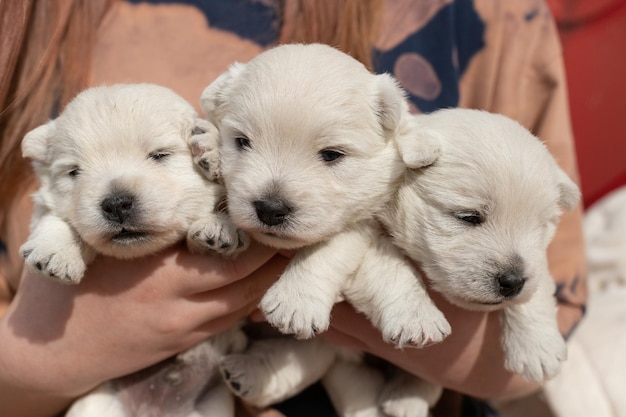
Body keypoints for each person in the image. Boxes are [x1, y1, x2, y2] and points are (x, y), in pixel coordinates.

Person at [0, 1, 587, 416]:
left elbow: (540, 337)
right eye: (242, 143)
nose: (271, 193)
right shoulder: (25, 21)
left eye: (330, 154)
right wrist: (39, 360)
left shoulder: (488, 19)